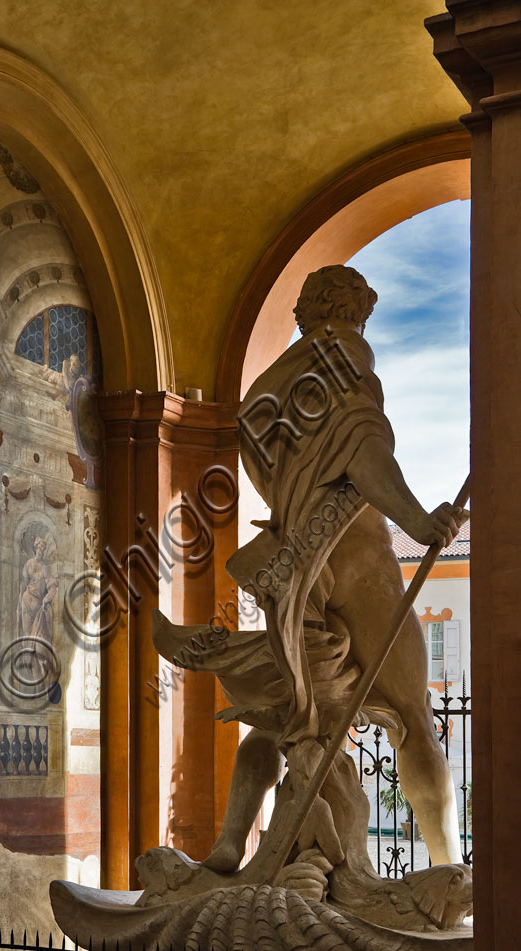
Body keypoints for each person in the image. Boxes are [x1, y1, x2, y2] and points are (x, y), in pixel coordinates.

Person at [154, 264, 467, 874]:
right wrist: (418, 519)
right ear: (354, 308)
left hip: (294, 566)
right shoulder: (347, 352)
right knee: (414, 719)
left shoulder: (272, 387)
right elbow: (362, 449)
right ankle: (447, 867)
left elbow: (273, 459)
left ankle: (229, 844)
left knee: (284, 712)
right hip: (357, 561)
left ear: (305, 309)